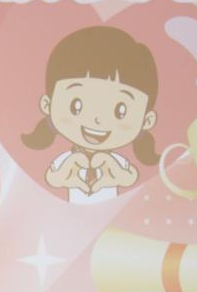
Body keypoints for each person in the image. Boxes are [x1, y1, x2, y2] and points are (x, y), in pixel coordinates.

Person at [20, 25, 159, 204]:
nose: (97, 119)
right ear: (47, 105)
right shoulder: (67, 161)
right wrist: (66, 175)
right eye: (76, 106)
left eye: (120, 111)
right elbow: (52, 179)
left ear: (147, 120)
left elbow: (129, 177)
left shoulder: (117, 163)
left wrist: (115, 175)